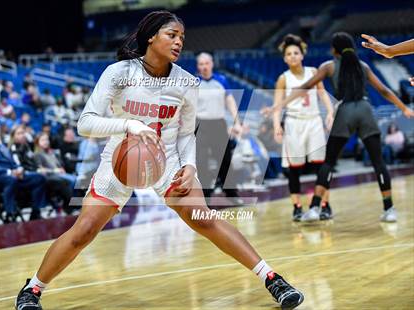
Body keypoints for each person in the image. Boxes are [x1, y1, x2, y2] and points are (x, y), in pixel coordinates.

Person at [15, 11, 304, 310]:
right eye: (172, 34)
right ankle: (32, 290)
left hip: (167, 160)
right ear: (151, 36)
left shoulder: (187, 83)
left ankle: (272, 279)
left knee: (203, 218)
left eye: (182, 37)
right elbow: (85, 123)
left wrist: (190, 166)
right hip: (120, 159)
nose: (179, 41)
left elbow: (187, 133)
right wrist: (128, 126)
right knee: (85, 229)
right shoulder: (118, 73)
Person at [278, 32, 414, 223]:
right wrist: (403, 108)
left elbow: (307, 86)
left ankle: (316, 208)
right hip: (365, 110)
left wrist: (281, 104)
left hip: (345, 111)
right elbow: (383, 90)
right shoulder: (363, 65)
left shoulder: (329, 66)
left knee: (329, 162)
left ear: (334, 50)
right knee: (378, 162)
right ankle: (389, 208)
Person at [264, 34, 334, 221]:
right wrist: (277, 125)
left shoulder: (313, 72)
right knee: (294, 168)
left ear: (302, 55)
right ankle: (297, 207)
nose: (293, 56)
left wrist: (329, 112)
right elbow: (277, 104)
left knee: (321, 166)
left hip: (314, 121)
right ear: (285, 58)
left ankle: (325, 205)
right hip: (294, 123)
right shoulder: (283, 79)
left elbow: (323, 94)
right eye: (289, 54)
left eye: (296, 53)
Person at [195, 52, 244, 204]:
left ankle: (231, 194)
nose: (204, 66)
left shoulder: (221, 81)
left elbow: (230, 102)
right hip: (200, 125)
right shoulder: (193, 82)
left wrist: (237, 122)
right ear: (198, 66)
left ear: (212, 64)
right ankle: (205, 198)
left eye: (206, 63)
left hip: (219, 124)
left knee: (225, 160)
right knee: (201, 162)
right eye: (201, 64)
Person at [0, 120, 46, 222]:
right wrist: (10, 172)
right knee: (10, 179)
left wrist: (19, 169)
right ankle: (10, 213)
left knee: (39, 178)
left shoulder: (2, 145)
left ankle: (35, 211)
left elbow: (14, 162)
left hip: (14, 175)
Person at [34, 132, 77, 213]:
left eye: (46, 139)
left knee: (77, 179)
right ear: (37, 142)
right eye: (43, 140)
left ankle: (75, 204)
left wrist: (61, 168)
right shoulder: (37, 154)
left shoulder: (52, 153)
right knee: (71, 181)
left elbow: (60, 164)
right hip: (51, 176)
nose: (46, 142)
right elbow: (40, 170)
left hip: (60, 174)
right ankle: (69, 206)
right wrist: (55, 170)